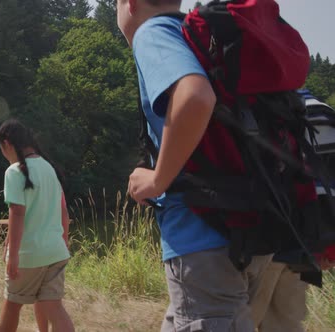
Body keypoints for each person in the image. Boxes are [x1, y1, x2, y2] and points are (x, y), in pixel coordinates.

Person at [116, 0, 272, 330]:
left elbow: (196, 97)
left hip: (203, 237)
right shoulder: (199, 37)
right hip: (249, 226)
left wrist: (158, 179)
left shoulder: (153, 32)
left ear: (129, 4)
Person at [0, 119, 74, 332]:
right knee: (54, 308)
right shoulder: (49, 168)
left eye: (2, 149)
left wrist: (13, 255)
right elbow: (63, 212)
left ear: (7, 144)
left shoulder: (14, 171)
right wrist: (63, 243)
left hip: (29, 255)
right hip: (55, 253)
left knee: (12, 305)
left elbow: (17, 213)